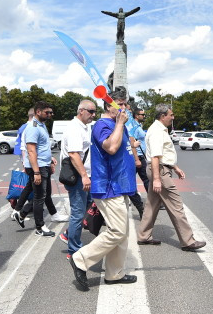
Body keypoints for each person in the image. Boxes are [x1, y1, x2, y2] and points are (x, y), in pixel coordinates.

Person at [68, 88, 138, 290]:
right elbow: (111, 147)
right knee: (116, 232)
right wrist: (120, 125)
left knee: (122, 233)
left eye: (126, 104)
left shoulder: (117, 124)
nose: (125, 109)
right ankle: (80, 259)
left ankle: (114, 274)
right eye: (121, 104)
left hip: (120, 186)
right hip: (108, 186)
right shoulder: (102, 125)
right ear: (110, 105)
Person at [137, 103, 206, 251]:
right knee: (176, 205)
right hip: (160, 171)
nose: (173, 117)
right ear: (163, 116)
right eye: (171, 115)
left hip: (160, 169)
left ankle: (143, 235)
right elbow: (156, 156)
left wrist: (175, 167)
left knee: (151, 204)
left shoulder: (159, 129)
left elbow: (163, 155)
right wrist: (156, 179)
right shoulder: (157, 131)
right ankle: (187, 241)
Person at [12, 101, 66, 235]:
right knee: (39, 197)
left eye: (51, 112)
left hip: (43, 164)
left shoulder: (41, 125)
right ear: (38, 112)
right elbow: (31, 151)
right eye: (47, 112)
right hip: (38, 167)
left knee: (44, 194)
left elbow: (41, 147)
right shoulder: (33, 127)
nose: (50, 115)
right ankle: (40, 227)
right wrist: (36, 172)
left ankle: (22, 213)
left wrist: (49, 160)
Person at [61, 100, 95, 257]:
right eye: (91, 111)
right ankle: (74, 249)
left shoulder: (84, 127)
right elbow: (74, 154)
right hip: (78, 177)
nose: (93, 115)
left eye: (94, 112)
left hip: (83, 176)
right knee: (78, 212)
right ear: (81, 111)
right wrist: (84, 176)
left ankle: (69, 235)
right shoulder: (75, 128)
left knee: (89, 208)